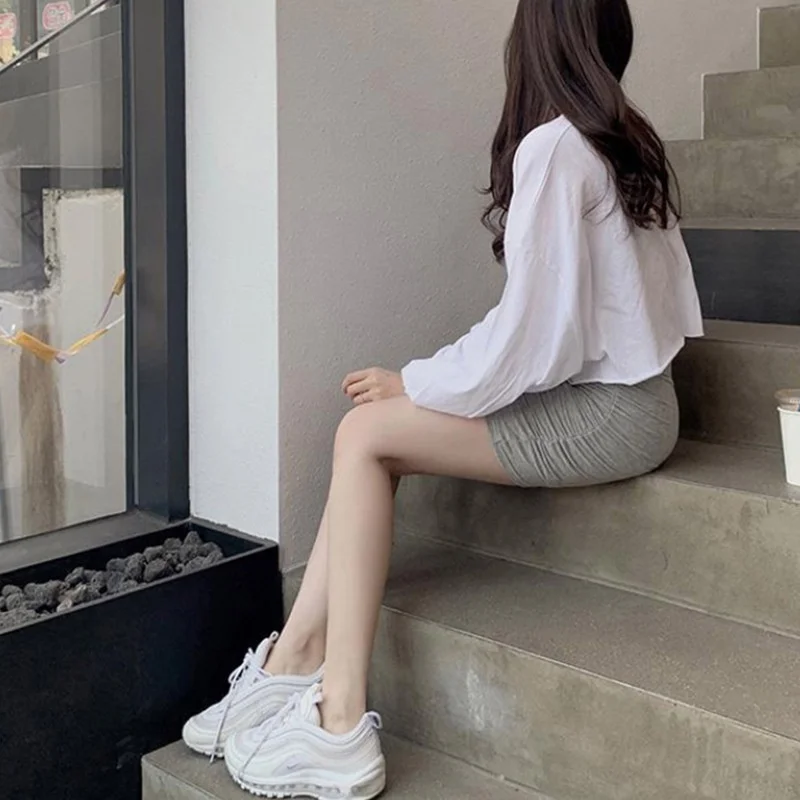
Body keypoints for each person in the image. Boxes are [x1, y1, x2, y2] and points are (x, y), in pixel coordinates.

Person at [182, 0, 703, 796]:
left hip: (610, 413)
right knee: (370, 434)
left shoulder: (559, 148)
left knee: (364, 435)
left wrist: (414, 381)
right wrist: (424, 388)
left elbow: (533, 338)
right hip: (642, 401)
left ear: (534, 40)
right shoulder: (623, 134)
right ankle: (292, 659)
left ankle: (337, 720)